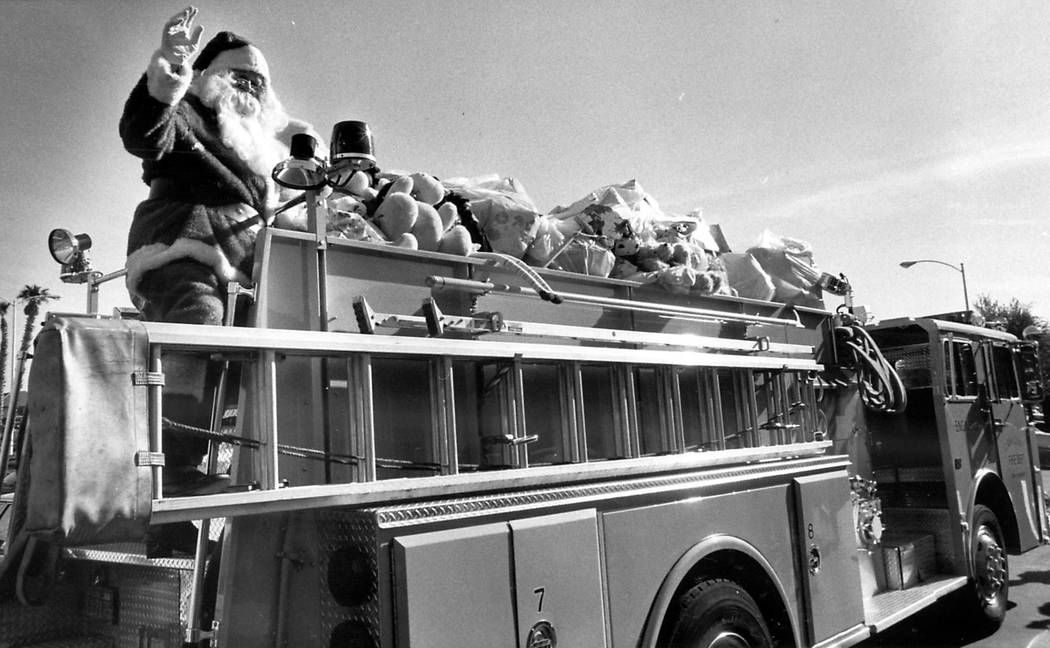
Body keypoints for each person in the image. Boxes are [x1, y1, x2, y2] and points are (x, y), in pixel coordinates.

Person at [119, 6, 318, 554]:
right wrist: (167, 76)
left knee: (276, 348)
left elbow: (291, 206)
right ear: (213, 79)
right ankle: (174, 463)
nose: (250, 90)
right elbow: (144, 133)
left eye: (260, 81)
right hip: (184, 248)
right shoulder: (191, 115)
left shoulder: (264, 149)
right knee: (195, 330)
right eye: (240, 77)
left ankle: (238, 471)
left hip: (247, 271)